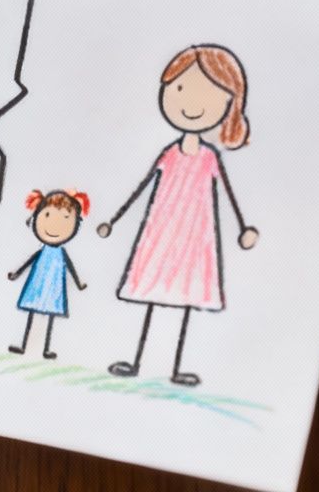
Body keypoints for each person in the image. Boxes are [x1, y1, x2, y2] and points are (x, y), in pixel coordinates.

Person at [96, 44, 259, 386]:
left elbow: (227, 195)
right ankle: (138, 361)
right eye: (180, 88)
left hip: (195, 232)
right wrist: (115, 219)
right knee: (154, 294)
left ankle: (175, 368)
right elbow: (141, 189)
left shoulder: (209, 157)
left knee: (186, 298)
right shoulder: (169, 152)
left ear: (229, 103)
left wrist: (243, 228)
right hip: (162, 228)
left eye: (209, 93)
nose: (190, 102)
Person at [5, 190, 90, 359]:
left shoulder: (60, 254)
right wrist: (17, 273)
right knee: (32, 314)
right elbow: (30, 261)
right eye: (47, 216)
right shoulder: (43, 252)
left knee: (50, 316)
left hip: (54, 287)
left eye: (66, 218)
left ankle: (46, 348)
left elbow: (70, 268)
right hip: (37, 284)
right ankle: (24, 346)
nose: (54, 225)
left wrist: (79, 284)